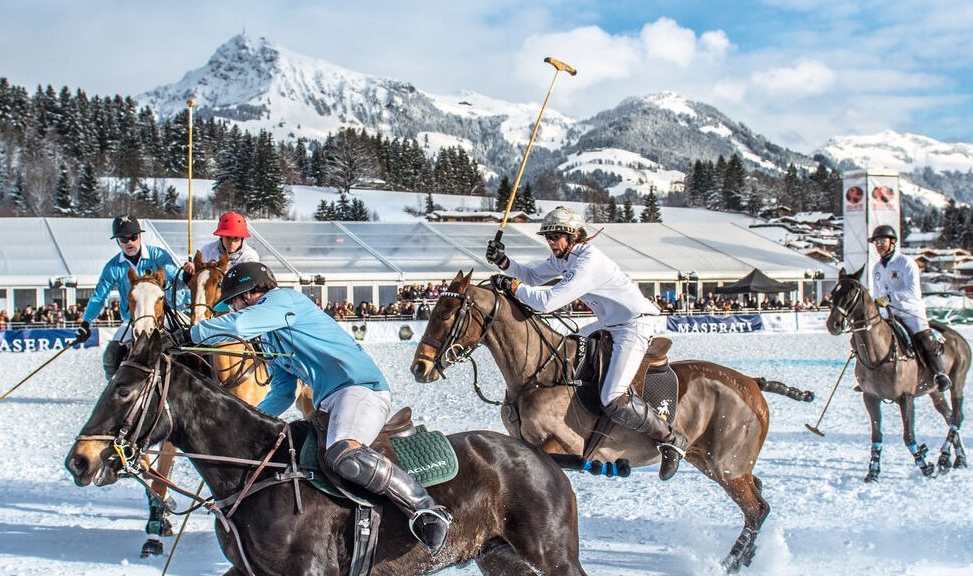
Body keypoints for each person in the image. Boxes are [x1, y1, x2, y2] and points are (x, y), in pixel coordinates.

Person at [180, 261, 453, 553]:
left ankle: (426, 509)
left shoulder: (283, 300)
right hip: (328, 403)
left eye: (233, 301)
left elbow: (237, 325)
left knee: (343, 453)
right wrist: (248, 424)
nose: (232, 308)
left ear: (248, 293)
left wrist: (189, 334)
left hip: (359, 388)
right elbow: (284, 392)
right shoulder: (271, 337)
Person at [484, 206, 688, 481]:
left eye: (556, 236)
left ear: (574, 236)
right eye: (548, 237)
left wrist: (513, 287)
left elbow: (548, 302)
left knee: (612, 397)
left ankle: (670, 438)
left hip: (633, 324)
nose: (551, 242)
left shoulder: (588, 262)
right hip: (608, 323)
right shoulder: (565, 257)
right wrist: (505, 263)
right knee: (567, 346)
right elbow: (533, 277)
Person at [78, 216, 179, 379]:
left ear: (140, 236)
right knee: (111, 357)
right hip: (132, 321)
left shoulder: (158, 255)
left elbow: (176, 278)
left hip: (163, 317)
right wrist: (86, 322)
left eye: (133, 237)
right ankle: (115, 395)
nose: (129, 242)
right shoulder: (113, 267)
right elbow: (99, 296)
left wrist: (181, 275)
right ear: (118, 241)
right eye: (124, 239)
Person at [868, 225, 951, 391]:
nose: (878, 245)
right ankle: (869, 376)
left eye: (882, 241)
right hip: (887, 313)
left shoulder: (905, 262)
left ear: (892, 242)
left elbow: (913, 290)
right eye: (876, 242)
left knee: (924, 338)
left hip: (909, 311)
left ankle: (940, 374)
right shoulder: (876, 268)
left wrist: (890, 298)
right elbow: (877, 294)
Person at [181, 211, 261, 276]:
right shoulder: (207, 250)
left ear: (242, 238)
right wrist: (191, 269)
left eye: (236, 238)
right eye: (228, 237)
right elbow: (197, 276)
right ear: (221, 236)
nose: (232, 242)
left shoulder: (250, 257)